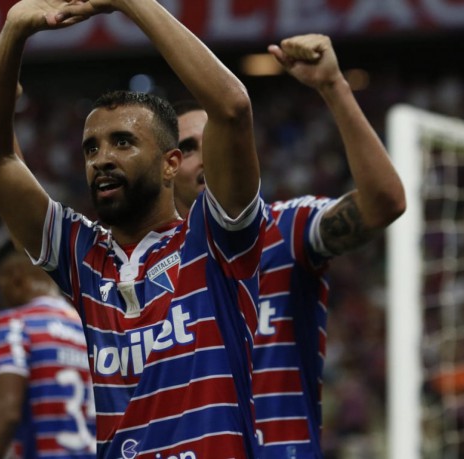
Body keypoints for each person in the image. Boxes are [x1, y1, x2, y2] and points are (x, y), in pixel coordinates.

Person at [0, 0, 265, 457]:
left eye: (123, 142)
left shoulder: (215, 240)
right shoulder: (83, 255)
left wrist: (132, 3)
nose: (101, 157)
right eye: (90, 148)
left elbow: (232, 108)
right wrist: (14, 32)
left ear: (171, 164)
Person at [172, 34, 406, 457]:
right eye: (188, 148)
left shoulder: (286, 227)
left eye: (219, 139)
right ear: (166, 168)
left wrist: (333, 85)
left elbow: (384, 203)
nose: (207, 157)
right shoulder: (149, 267)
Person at [0, 243, 95, 459]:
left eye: (0, 279)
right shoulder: (90, 331)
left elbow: (7, 411)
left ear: (16, 277)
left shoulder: (16, 324)